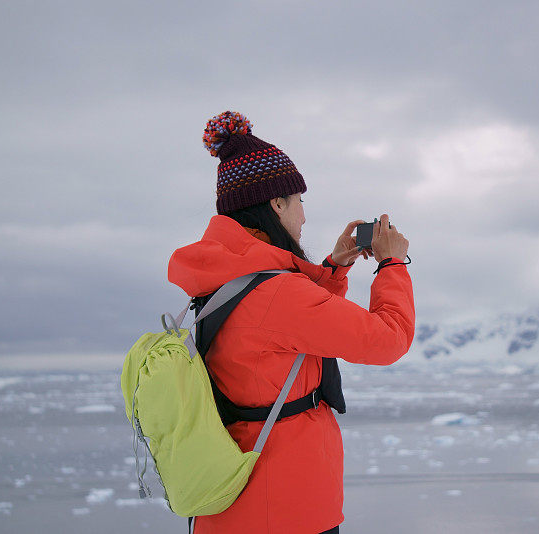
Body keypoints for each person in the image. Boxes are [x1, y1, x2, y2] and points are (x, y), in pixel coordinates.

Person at [167, 111, 415, 534]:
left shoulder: (229, 280)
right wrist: (392, 264)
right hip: (284, 507)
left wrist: (334, 267)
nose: (303, 217)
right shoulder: (278, 296)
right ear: (275, 204)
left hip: (233, 503)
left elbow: (290, 331)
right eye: (299, 202)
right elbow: (388, 339)